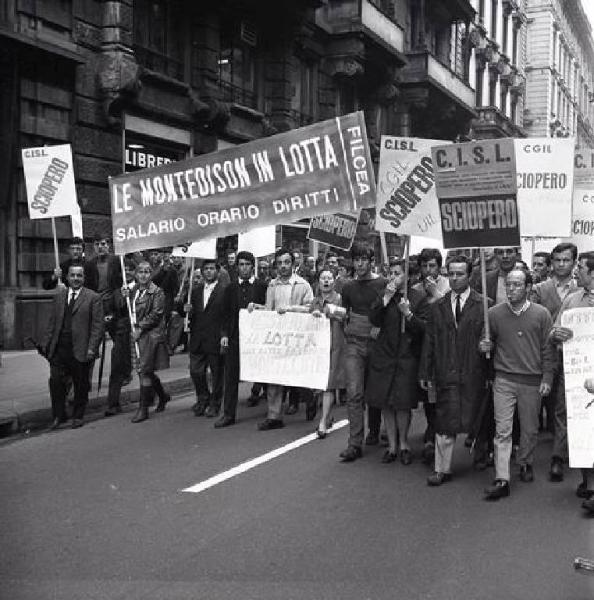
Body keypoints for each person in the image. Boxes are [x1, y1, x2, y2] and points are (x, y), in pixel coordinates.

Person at [479, 269, 555, 500]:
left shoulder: (541, 314)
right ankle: (502, 478)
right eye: (508, 285)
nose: (511, 289)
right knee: (502, 430)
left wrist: (547, 378)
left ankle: (525, 461)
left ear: (529, 287)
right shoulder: (493, 313)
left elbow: (548, 349)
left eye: (517, 285)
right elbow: (485, 342)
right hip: (504, 379)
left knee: (530, 428)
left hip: (532, 381)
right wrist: (483, 347)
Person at [419, 256, 491, 485]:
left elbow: (493, 339)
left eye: (460, 274)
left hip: (474, 371)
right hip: (446, 370)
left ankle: (482, 455)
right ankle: (442, 468)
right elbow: (429, 341)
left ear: (470, 276)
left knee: (479, 417)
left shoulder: (485, 305)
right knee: (444, 419)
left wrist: (489, 350)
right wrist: (425, 372)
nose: (454, 278)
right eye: (451, 274)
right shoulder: (437, 307)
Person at [365, 259, 429, 464]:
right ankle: (391, 446)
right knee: (386, 402)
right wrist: (386, 298)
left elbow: (424, 329)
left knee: (402, 403)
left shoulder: (418, 298)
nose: (392, 277)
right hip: (385, 353)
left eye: (397, 273)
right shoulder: (383, 294)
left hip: (406, 355)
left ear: (407, 275)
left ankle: (404, 443)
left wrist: (408, 314)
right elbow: (373, 319)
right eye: (390, 273)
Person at [548, 251, 594, 485]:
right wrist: (557, 334)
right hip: (575, 372)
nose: (576, 272)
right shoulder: (572, 300)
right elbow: (553, 331)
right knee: (570, 416)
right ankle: (567, 463)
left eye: (582, 268)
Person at [338, 242, 386, 462]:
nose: (359, 264)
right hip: (354, 344)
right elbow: (344, 312)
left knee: (376, 390)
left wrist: (380, 328)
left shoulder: (382, 283)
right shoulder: (347, 287)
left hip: (377, 344)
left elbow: (388, 314)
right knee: (354, 393)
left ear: (371, 261)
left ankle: (375, 430)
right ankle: (354, 443)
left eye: (363, 260)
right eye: (356, 260)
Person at [257, 247, 314, 430]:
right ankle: (274, 416)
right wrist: (255, 309)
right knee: (274, 377)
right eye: (280, 263)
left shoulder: (303, 285)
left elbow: (311, 309)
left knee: (298, 376)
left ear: (293, 264)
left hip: (297, 337)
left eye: (286, 262)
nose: (283, 266)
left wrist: (291, 309)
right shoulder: (272, 285)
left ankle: (309, 398)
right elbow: (268, 310)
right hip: (278, 337)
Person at [41, 264, 104, 429]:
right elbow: (52, 322)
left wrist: (92, 348)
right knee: (55, 382)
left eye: (79, 276)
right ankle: (58, 415)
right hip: (59, 348)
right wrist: (47, 345)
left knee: (80, 383)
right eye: (73, 275)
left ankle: (78, 415)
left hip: (81, 348)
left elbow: (98, 326)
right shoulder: (60, 295)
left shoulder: (93, 297)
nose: (76, 279)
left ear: (84, 278)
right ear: (67, 277)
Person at [531, 242, 578, 439]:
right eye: (557, 260)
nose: (561, 264)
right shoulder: (539, 289)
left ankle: (566, 448)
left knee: (568, 403)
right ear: (551, 263)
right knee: (544, 401)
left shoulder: (583, 289)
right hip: (545, 353)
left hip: (574, 354)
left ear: (574, 263)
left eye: (566, 260)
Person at [217, 251, 268, 428]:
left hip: (258, 339)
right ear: (236, 267)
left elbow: (268, 310)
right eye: (241, 264)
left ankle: (273, 410)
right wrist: (224, 335)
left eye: (247, 264)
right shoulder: (230, 289)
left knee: (265, 373)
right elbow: (225, 314)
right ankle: (228, 414)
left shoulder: (262, 286)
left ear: (252, 266)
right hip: (235, 337)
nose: (244, 268)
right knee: (230, 376)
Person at [413, 248, 451, 463]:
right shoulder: (416, 289)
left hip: (445, 348)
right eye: (425, 266)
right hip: (423, 347)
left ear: (439, 266)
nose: (429, 270)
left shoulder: (447, 285)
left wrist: (436, 293)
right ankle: (430, 428)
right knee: (427, 393)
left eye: (433, 266)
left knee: (442, 394)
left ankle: (438, 434)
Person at [122, 261, 171, 422]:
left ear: (151, 274)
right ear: (136, 274)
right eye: (140, 272)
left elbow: (156, 313)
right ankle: (162, 396)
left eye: (147, 272)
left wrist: (140, 328)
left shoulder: (157, 292)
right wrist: (124, 297)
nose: (143, 275)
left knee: (144, 370)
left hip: (149, 336)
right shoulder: (133, 290)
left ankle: (143, 409)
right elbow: (129, 311)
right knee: (143, 370)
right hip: (136, 335)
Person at [183, 258, 226, 418]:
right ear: (201, 272)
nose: (209, 271)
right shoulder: (195, 291)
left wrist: (224, 335)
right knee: (196, 371)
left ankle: (215, 403)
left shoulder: (224, 290)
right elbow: (191, 314)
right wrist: (187, 310)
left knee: (216, 374)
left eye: (212, 268)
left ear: (217, 271)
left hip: (215, 338)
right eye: (206, 269)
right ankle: (203, 398)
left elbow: (226, 316)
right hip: (198, 338)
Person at [309, 268, 345, 438]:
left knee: (329, 384)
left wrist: (331, 311)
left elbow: (346, 315)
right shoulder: (315, 301)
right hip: (318, 347)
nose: (326, 281)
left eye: (329, 278)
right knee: (320, 383)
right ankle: (327, 415)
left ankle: (323, 421)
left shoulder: (339, 298)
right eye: (323, 278)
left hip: (335, 345)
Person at [104, 258, 136, 416]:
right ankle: (113, 403)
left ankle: (154, 395)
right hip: (122, 334)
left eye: (131, 269)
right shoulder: (117, 292)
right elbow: (113, 311)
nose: (128, 272)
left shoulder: (143, 288)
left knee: (146, 368)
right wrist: (123, 298)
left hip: (140, 332)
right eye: (125, 269)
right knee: (116, 367)